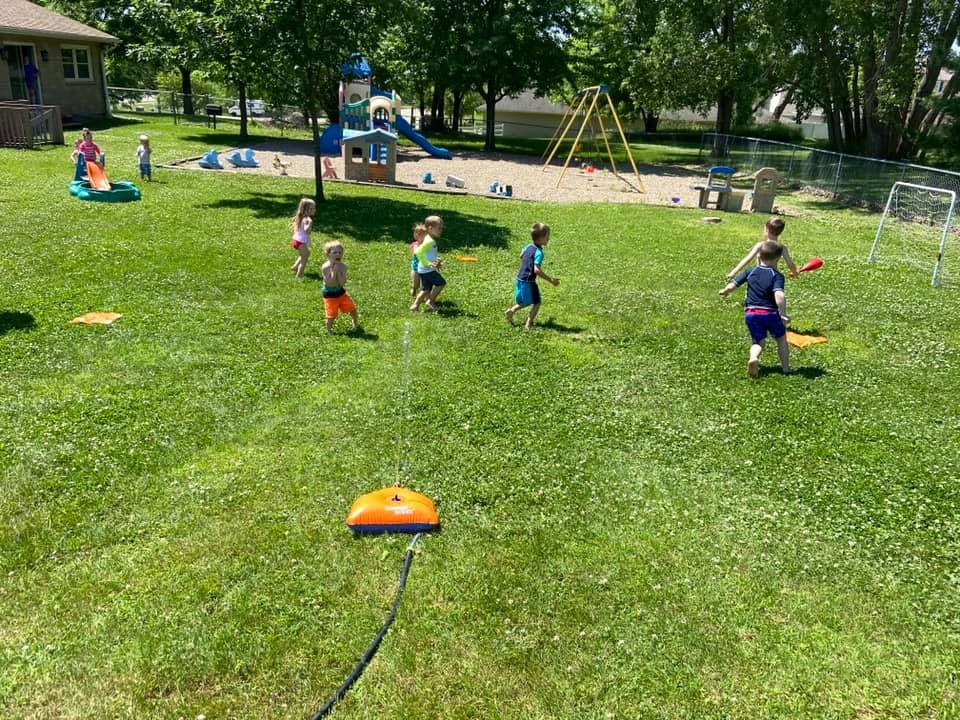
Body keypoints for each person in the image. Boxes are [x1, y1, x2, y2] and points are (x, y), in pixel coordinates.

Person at [719, 240, 792, 378]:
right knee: (781, 338)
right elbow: (779, 295)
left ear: (759, 255)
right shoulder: (776, 275)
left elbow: (732, 286)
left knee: (758, 341)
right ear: (778, 258)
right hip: (770, 313)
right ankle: (786, 368)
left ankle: (754, 357)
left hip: (751, 313)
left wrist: (725, 291)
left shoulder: (750, 271)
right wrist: (783, 314)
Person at [505, 222, 560, 329]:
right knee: (537, 302)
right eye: (547, 236)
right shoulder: (539, 252)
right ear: (540, 238)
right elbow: (537, 270)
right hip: (529, 281)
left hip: (520, 278)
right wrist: (551, 280)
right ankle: (528, 324)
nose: (548, 239)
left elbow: (521, 255)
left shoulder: (528, 246)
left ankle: (511, 312)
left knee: (526, 301)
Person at [726, 217, 798, 280]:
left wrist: (734, 272)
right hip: (773, 275)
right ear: (781, 232)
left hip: (759, 274)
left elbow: (748, 259)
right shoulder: (782, 248)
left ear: (767, 230)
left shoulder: (760, 245)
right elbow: (790, 263)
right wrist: (795, 273)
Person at [321, 240, 359, 332]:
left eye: (340, 252)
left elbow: (342, 283)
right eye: (334, 252)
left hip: (341, 292)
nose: (338, 254)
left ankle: (355, 325)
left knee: (352, 308)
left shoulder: (343, 266)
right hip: (330, 294)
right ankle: (328, 330)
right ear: (328, 254)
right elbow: (329, 282)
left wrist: (339, 272)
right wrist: (334, 272)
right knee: (331, 314)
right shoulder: (325, 267)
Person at [410, 215, 446, 312]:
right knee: (441, 283)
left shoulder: (428, 238)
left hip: (424, 269)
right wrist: (428, 263)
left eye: (441, 228)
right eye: (439, 228)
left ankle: (415, 306)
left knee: (425, 289)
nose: (441, 230)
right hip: (427, 270)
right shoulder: (429, 241)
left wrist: (436, 260)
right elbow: (418, 252)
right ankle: (430, 301)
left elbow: (427, 253)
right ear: (430, 228)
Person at [290, 197, 316, 278]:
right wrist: (310, 224)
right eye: (311, 208)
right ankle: (299, 275)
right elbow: (306, 231)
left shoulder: (300, 217)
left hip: (296, 240)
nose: (314, 209)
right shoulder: (307, 219)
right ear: (305, 209)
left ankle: (295, 267)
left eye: (314, 208)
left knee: (306, 253)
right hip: (300, 242)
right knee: (304, 258)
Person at [409, 223, 427, 298]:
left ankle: (422, 297)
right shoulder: (414, 244)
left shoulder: (428, 244)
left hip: (425, 269)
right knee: (415, 284)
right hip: (415, 268)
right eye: (416, 233)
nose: (417, 235)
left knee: (424, 286)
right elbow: (415, 251)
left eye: (421, 234)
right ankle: (413, 288)